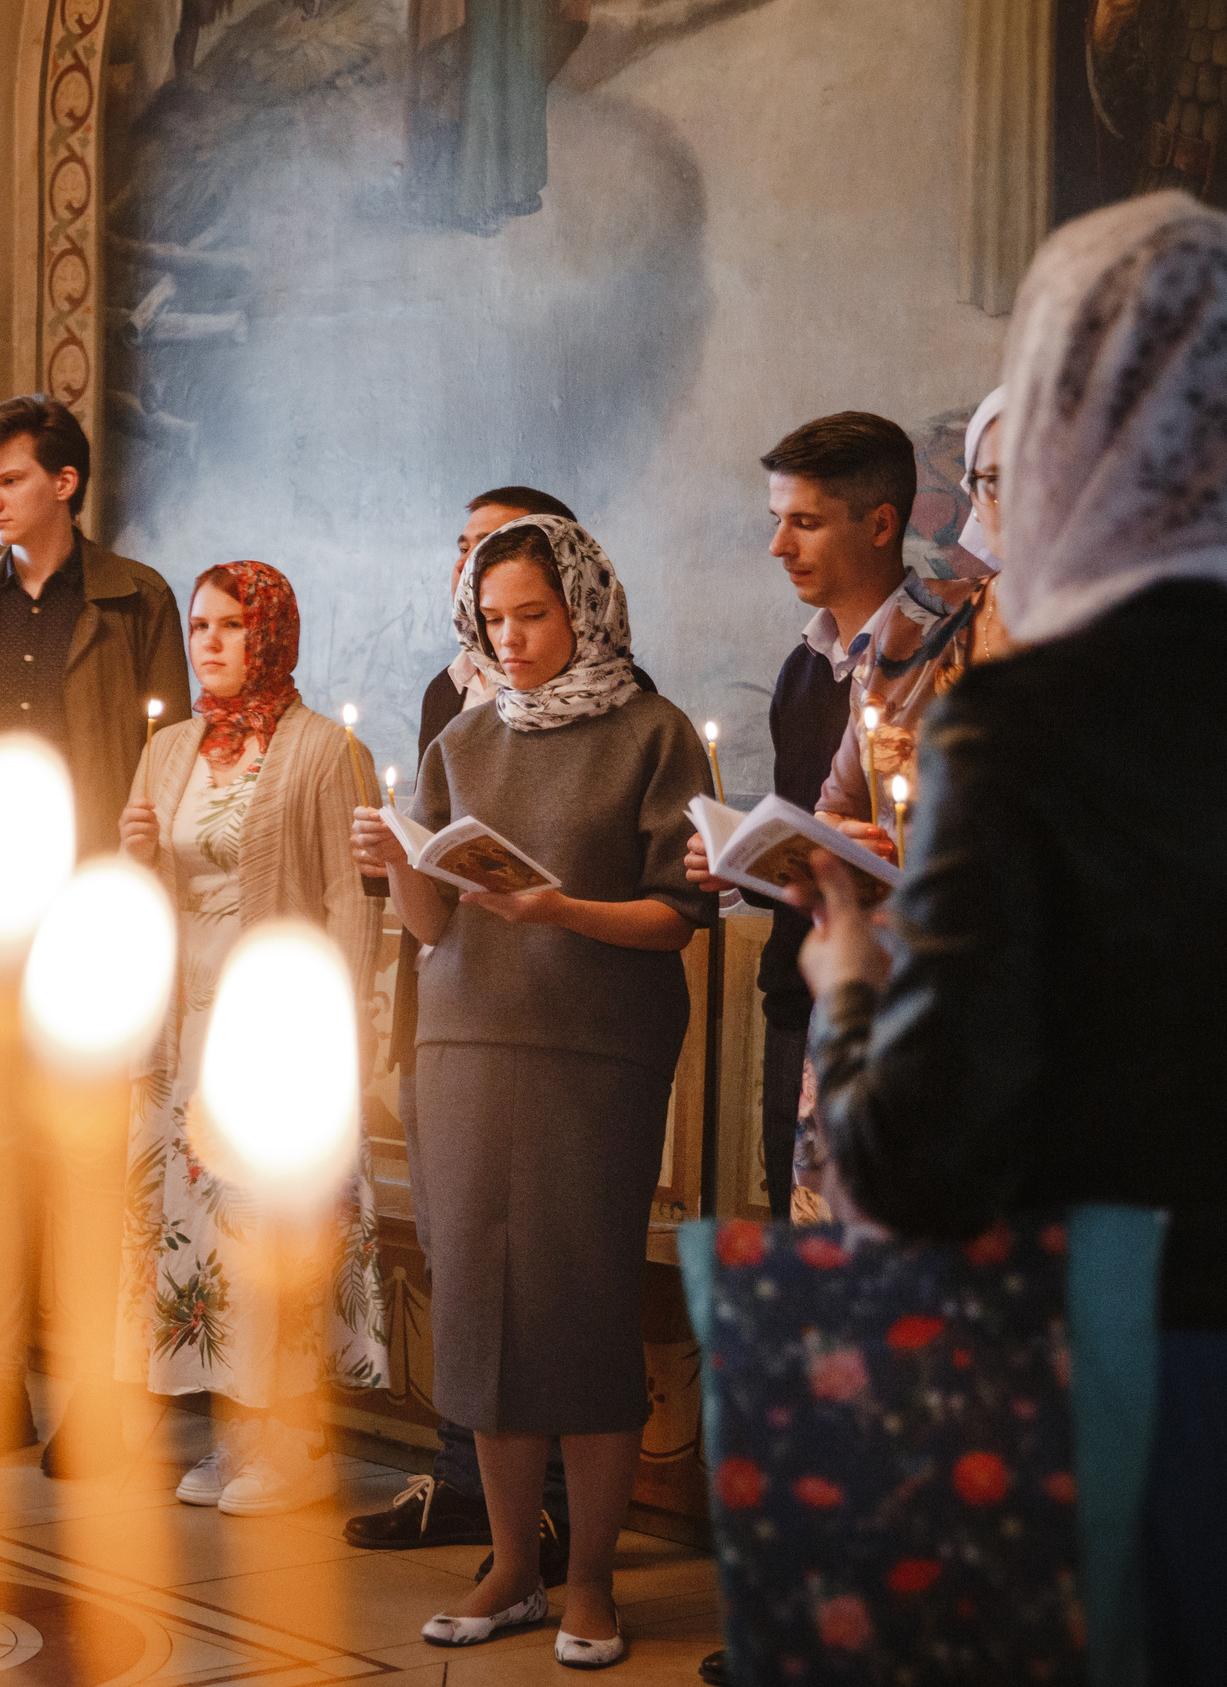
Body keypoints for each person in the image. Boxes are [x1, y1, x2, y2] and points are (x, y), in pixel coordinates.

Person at [794, 191, 1227, 1687]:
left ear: (1085, 433)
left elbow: (917, 1159)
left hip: (1075, 1384)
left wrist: (848, 983)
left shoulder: (1021, 729)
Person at [353, 515, 715, 1671]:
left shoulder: (652, 735)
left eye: (533, 617)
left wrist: (556, 911)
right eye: (492, 620)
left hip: (590, 1054)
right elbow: (431, 931)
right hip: (460, 1045)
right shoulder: (461, 737)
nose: (510, 642)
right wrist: (400, 866)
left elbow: (678, 918)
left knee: (577, 1308)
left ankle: (591, 1582)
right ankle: (512, 1566)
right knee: (478, 1314)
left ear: (585, 609)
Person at [0, 393, 191, 1474]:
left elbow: (177, 741)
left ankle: (94, 1393)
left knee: (87, 1156)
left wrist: (145, 820)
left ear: (63, 484)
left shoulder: (135, 600)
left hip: (90, 907)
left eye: (9, 478)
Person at [117, 561, 386, 1517]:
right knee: (208, 1246)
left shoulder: (325, 749)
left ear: (271, 634)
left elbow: (351, 902)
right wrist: (135, 852)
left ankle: (297, 1441)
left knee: (276, 1231)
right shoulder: (169, 748)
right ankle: (240, 1435)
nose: (211, 643)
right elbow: (149, 896)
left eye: (232, 626)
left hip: (279, 1026)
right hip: (188, 1030)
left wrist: (341, 1035)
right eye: (198, 627)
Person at [355, 485, 584, 1574]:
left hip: (552, 1020)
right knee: (456, 1253)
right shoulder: (448, 694)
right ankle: (465, 1481)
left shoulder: (607, 710)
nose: (473, 578)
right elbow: (431, 854)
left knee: (537, 1268)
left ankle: (547, 1507)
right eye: (463, 555)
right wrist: (398, 856)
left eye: (494, 559)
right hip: (444, 988)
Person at [681, 411, 912, 1228]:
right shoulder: (804, 671)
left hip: (905, 1009)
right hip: (795, 1000)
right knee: (805, 1240)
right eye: (777, 521)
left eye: (805, 522)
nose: (780, 546)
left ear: (880, 524)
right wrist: (737, 867)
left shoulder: (938, 662)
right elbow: (808, 837)